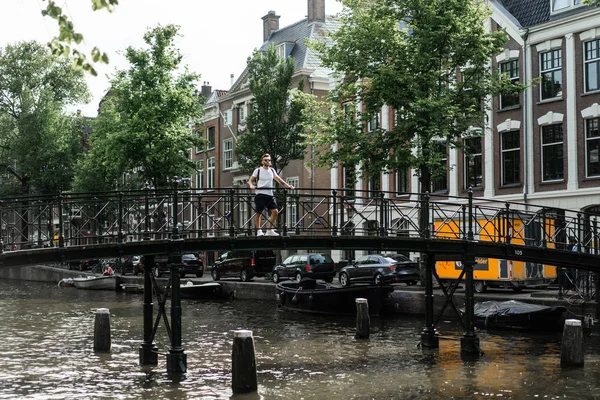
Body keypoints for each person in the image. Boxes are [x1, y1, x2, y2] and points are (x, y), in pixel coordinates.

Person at [248, 153, 294, 236]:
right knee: (259, 213)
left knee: (275, 211)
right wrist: (251, 185)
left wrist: (288, 186)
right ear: (262, 161)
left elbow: (279, 180)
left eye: (269, 160)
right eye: (266, 160)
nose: (268, 161)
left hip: (270, 194)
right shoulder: (258, 170)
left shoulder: (272, 170)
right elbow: (250, 180)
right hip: (260, 193)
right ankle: (259, 230)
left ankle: (269, 230)